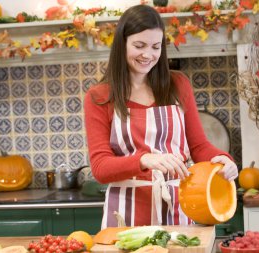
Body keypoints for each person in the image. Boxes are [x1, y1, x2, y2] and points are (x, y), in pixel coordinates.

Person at [84, 4, 238, 228]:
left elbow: (199, 146)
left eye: (156, 47)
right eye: (139, 45)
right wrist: (145, 159)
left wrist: (224, 159)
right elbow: (100, 167)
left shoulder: (178, 85)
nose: (148, 55)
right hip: (126, 217)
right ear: (122, 44)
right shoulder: (99, 96)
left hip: (178, 206)